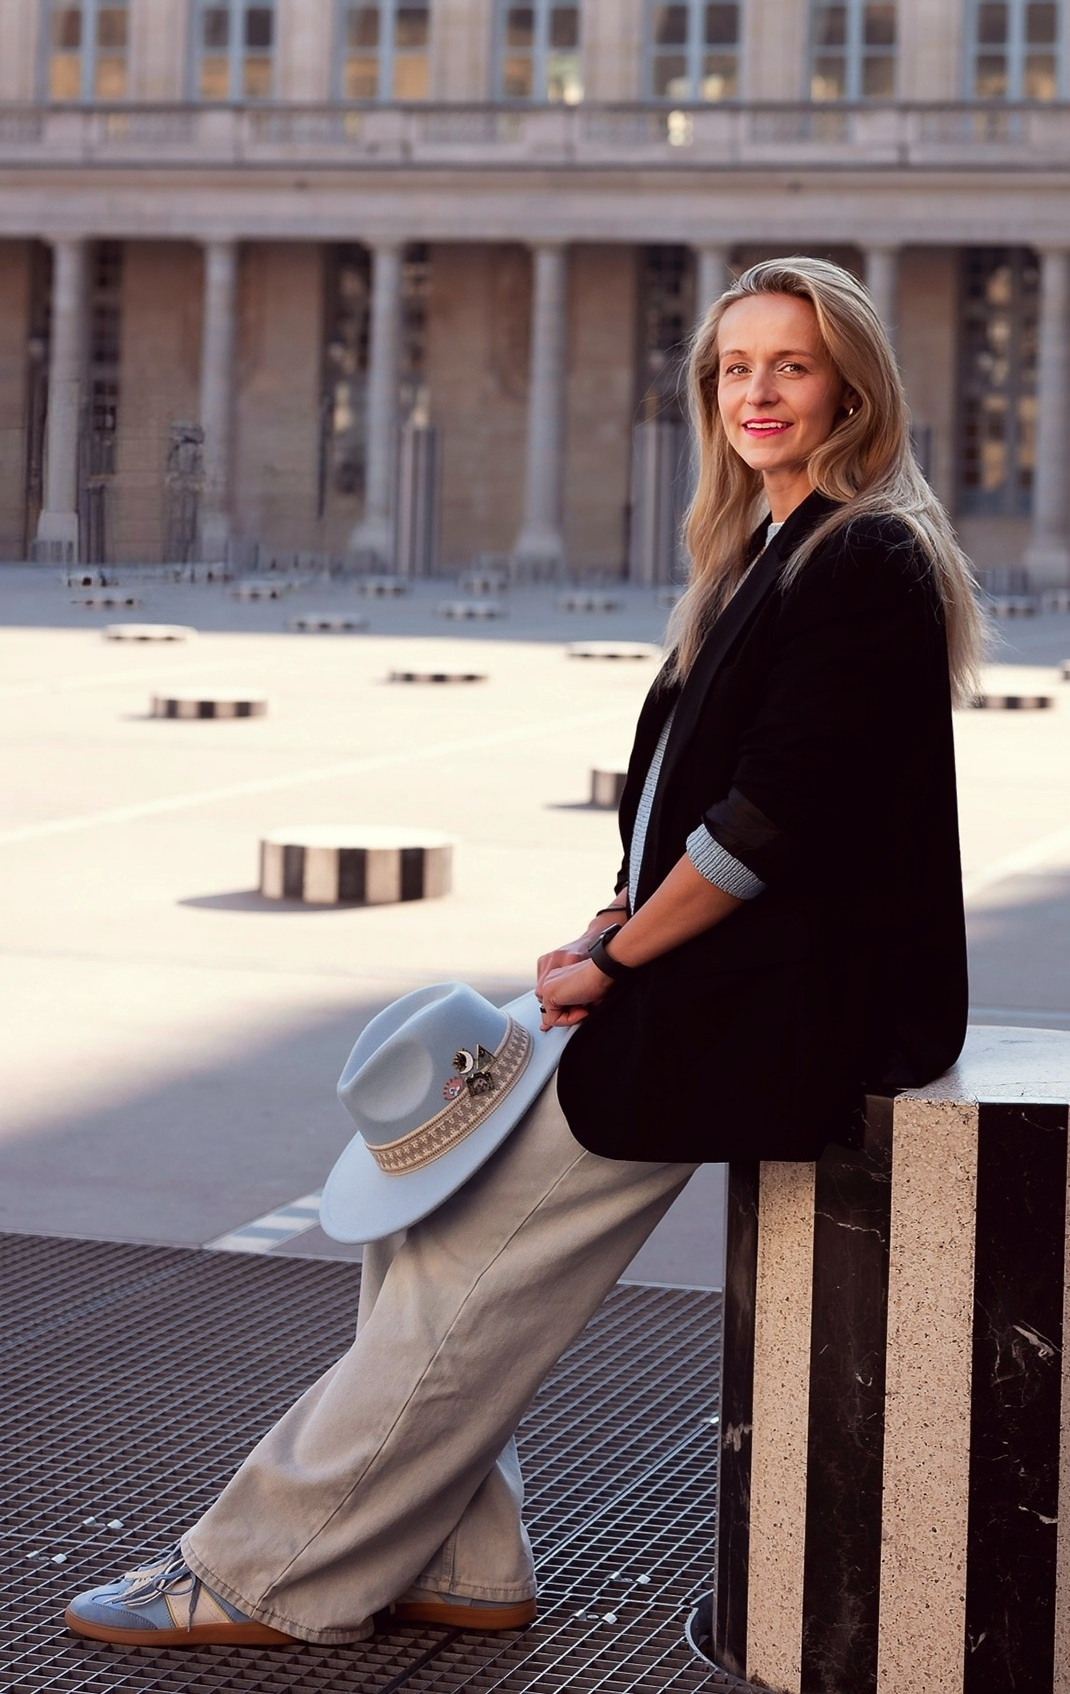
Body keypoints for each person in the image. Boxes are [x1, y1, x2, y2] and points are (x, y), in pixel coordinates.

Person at [64, 255, 979, 1650]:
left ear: (853, 383)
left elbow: (771, 821)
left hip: (762, 1007)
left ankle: (265, 1573)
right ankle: (464, 1563)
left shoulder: (866, 556)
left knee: (468, 1276)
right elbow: (703, 799)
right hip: (695, 971)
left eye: (790, 365)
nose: (758, 392)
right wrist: (613, 923)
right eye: (735, 368)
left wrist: (615, 970)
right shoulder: (771, 549)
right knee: (425, 1218)